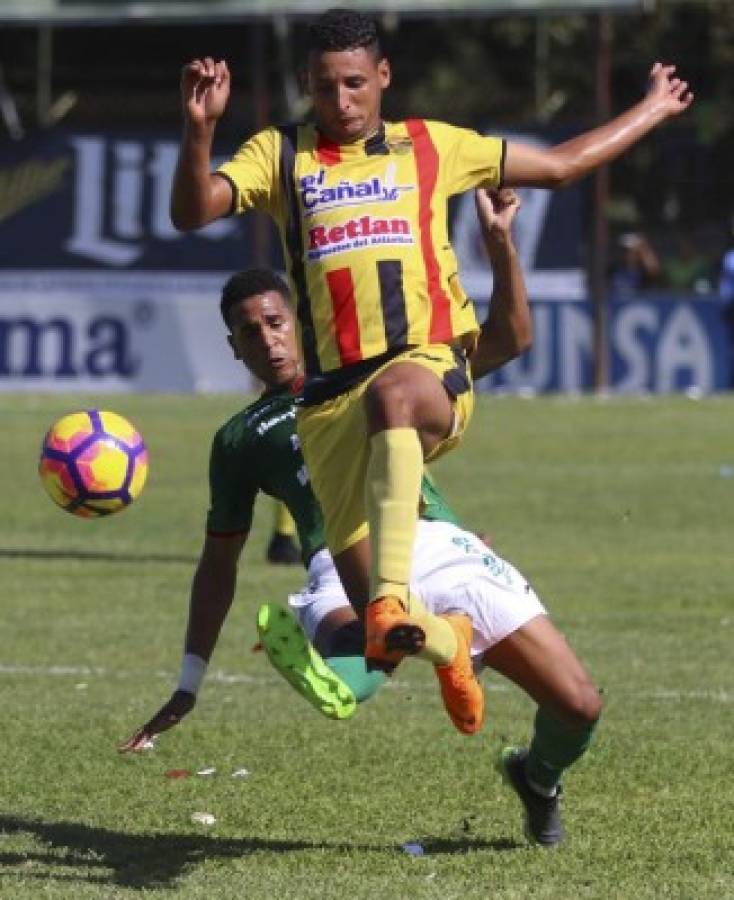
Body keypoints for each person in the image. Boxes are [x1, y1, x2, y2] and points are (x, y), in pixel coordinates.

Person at [168, 8, 692, 733]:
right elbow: (194, 211)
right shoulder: (281, 154)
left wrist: (652, 108)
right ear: (305, 87)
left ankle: (390, 599)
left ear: (383, 77)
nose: (341, 102)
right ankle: (442, 642)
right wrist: (199, 132)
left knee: (393, 400)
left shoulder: (431, 146)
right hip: (329, 414)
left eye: (355, 84)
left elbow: (564, 166)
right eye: (324, 89)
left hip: (424, 373)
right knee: (388, 639)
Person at [121, 188, 598, 846]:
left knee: (578, 706)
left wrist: (501, 248)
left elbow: (512, 338)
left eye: (275, 321)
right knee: (359, 649)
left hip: (438, 546)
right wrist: (188, 681)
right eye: (249, 332)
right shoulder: (240, 439)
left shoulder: (375, 372)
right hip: (339, 561)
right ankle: (390, 647)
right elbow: (217, 566)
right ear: (233, 349)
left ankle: (535, 775)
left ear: (300, 318)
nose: (268, 339)